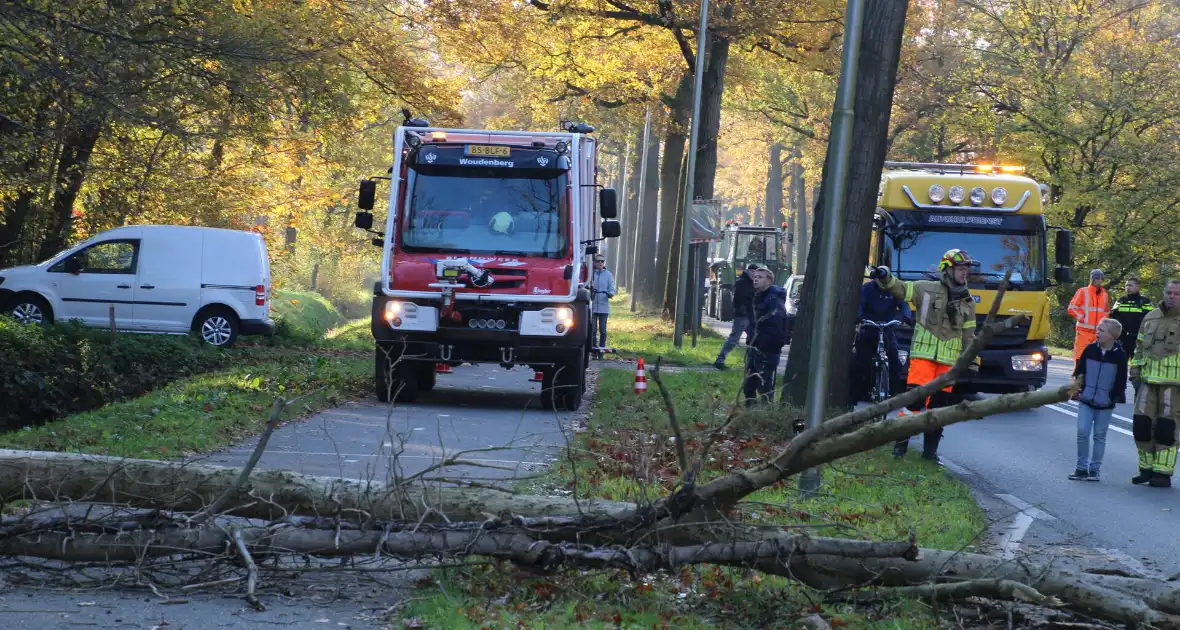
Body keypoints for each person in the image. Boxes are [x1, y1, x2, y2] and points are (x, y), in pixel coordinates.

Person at [871, 249, 980, 464]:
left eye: (966, 269)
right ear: (947, 269)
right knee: (913, 404)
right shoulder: (926, 288)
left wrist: (973, 361)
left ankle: (930, 454)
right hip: (923, 359)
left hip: (948, 365)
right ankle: (899, 449)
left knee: (938, 410)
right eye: (960, 269)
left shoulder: (968, 302)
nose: (964, 273)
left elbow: (969, 336)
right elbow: (902, 289)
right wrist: (886, 277)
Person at [1129, 279, 1180, 488]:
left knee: (1166, 429)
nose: (1172, 296)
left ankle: (1162, 473)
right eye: (1169, 292)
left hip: (1174, 386)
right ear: (1164, 292)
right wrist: (1134, 372)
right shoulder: (1150, 316)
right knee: (1141, 425)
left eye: (1177, 293)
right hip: (1147, 381)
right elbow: (1139, 347)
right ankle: (1146, 469)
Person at [1069, 318, 1128, 482]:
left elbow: (1121, 380)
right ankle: (1081, 469)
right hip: (1086, 399)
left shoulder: (1119, 355)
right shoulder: (1089, 350)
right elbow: (1079, 371)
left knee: (1099, 436)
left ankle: (1094, 470)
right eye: (1098, 330)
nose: (1097, 332)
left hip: (1105, 403)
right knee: (1082, 432)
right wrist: (1077, 389)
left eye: (1101, 330)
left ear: (1112, 336)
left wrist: (1113, 397)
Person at [852, 276, 913, 402]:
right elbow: (860, 305)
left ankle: (895, 392)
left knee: (894, 359)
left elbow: (903, 304)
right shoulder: (867, 289)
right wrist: (859, 317)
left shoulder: (893, 289)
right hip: (869, 327)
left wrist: (906, 316)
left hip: (887, 328)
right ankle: (858, 393)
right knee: (862, 362)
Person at [743, 266, 788, 406]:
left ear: (769, 281)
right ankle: (749, 413)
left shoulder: (774, 299)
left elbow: (776, 325)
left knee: (765, 385)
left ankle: (765, 414)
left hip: (767, 349)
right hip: (754, 346)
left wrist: (764, 344)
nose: (755, 280)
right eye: (754, 277)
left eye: (760, 277)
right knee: (748, 384)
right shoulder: (755, 297)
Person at [713, 263, 757, 369]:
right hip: (742, 315)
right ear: (749, 272)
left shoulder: (750, 283)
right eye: (753, 273)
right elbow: (739, 299)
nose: (754, 275)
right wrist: (743, 309)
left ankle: (752, 362)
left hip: (750, 316)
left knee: (755, 338)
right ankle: (719, 360)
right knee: (734, 339)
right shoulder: (742, 283)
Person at [1067, 269, 1111, 364]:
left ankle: (1091, 378)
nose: (1099, 280)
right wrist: (1083, 318)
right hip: (1084, 332)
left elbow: (1106, 312)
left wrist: (1103, 324)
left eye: (1101, 279)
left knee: (1095, 359)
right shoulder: (1083, 291)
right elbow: (1071, 308)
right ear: (1093, 279)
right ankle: (1078, 377)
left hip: (1098, 333)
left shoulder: (1105, 295)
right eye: (1097, 278)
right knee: (1080, 357)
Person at [1110, 276, 1152, 362]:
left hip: (1138, 339)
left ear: (1137, 287)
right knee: (1119, 365)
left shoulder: (1145, 302)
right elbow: (1112, 317)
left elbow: (1152, 320)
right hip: (1122, 338)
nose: (1127, 287)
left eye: (1130, 285)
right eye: (1126, 285)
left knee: (1137, 365)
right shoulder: (1121, 300)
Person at [589, 255, 616, 353]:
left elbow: (612, 288)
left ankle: (601, 350)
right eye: (598, 261)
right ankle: (594, 350)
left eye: (602, 261)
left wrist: (610, 294)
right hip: (593, 306)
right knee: (593, 331)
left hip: (604, 306)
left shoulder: (608, 274)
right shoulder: (590, 274)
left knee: (603, 331)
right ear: (594, 263)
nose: (600, 263)